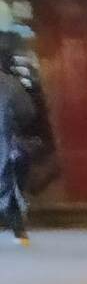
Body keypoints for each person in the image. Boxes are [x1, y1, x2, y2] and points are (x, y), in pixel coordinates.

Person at [0, 45, 37, 244]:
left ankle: (18, 231)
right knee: (5, 184)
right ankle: (19, 233)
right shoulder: (11, 84)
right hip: (5, 140)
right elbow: (28, 113)